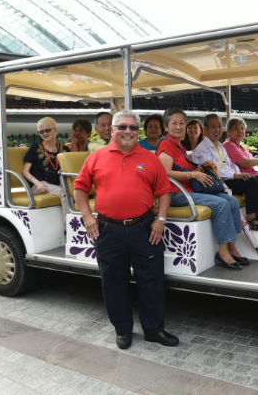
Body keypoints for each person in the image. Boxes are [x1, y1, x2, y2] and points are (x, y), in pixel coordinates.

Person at [73, 109, 178, 350]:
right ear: (112, 130)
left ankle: (154, 330)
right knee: (113, 282)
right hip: (108, 230)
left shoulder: (150, 158)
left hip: (144, 228)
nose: (128, 131)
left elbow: (163, 192)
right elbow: (79, 188)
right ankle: (123, 330)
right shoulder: (96, 157)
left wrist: (160, 220)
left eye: (132, 127)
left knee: (151, 281)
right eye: (122, 127)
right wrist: (88, 217)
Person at [157, 109, 249, 270]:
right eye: (174, 123)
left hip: (189, 191)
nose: (179, 127)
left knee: (231, 201)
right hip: (176, 194)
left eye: (182, 123)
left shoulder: (179, 146)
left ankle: (232, 246)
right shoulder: (166, 145)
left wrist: (197, 170)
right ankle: (222, 252)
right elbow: (165, 173)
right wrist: (192, 175)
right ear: (166, 127)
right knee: (221, 204)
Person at [192, 114, 258, 230]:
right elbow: (213, 171)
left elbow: (230, 164)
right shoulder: (202, 150)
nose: (217, 130)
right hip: (217, 182)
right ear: (206, 129)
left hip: (229, 178)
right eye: (213, 127)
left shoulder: (220, 146)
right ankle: (251, 218)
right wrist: (235, 175)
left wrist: (237, 173)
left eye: (219, 126)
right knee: (251, 182)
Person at [223, 117, 258, 226]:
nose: (240, 131)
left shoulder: (242, 148)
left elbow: (255, 165)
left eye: (242, 128)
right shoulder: (228, 145)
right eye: (236, 129)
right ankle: (252, 217)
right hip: (235, 178)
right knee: (255, 181)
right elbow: (245, 163)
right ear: (229, 132)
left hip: (251, 176)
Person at [23, 117, 69, 212]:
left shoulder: (64, 150)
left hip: (58, 183)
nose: (45, 133)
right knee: (64, 193)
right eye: (41, 132)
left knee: (77, 190)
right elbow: (25, 171)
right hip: (39, 185)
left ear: (55, 130)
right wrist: (37, 183)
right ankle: (69, 225)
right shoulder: (35, 148)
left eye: (47, 130)